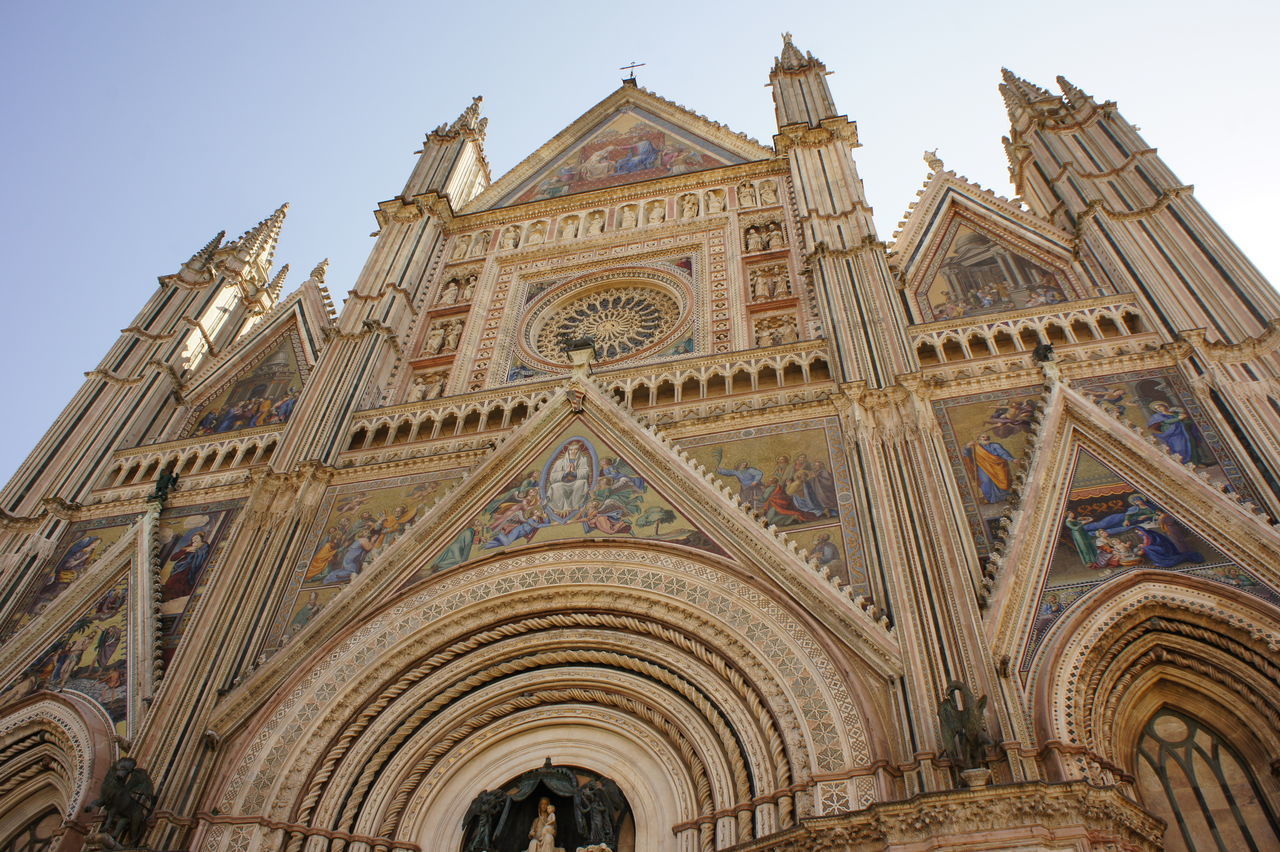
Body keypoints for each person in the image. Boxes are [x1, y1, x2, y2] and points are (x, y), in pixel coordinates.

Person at [962, 434, 1015, 504]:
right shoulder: (975, 447)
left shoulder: (995, 445)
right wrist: (967, 446)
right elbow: (966, 454)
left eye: (987, 437)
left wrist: (1011, 459)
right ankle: (989, 498)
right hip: (983, 467)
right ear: (979, 439)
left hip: (997, 466)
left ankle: (1003, 496)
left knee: (1002, 479)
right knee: (986, 481)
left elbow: (1003, 453)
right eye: (983, 437)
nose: (985, 438)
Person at [545, 440, 592, 517]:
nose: (573, 451)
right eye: (571, 449)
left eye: (576, 449)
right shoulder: (560, 462)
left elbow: (585, 473)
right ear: (568, 451)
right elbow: (552, 477)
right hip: (563, 482)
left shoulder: (583, 460)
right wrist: (565, 472)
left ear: (578, 450)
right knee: (556, 486)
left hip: (576, 482)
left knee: (581, 483)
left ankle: (575, 506)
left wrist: (575, 472)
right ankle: (561, 508)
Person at [162, 531, 211, 599]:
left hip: (190, 568)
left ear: (201, 538)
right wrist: (186, 550)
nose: (194, 540)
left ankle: (174, 595)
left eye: (196, 538)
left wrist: (197, 551)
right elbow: (173, 558)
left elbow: (203, 555)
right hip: (180, 566)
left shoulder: (204, 546)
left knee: (181, 581)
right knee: (173, 581)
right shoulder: (188, 546)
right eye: (193, 539)